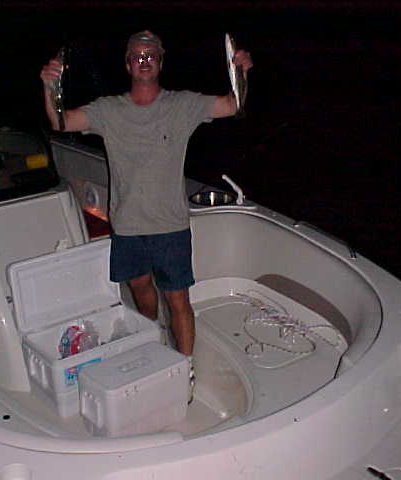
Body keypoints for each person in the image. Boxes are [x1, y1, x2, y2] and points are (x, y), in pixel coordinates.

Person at [40, 31, 252, 377]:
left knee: (178, 299)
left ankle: (186, 369)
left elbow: (232, 104)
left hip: (170, 225)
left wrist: (240, 71)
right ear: (127, 64)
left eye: (150, 55)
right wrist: (50, 86)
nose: (144, 60)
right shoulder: (108, 110)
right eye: (137, 55)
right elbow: (60, 121)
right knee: (140, 289)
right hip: (127, 225)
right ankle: (151, 338)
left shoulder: (182, 105)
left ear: (160, 62)